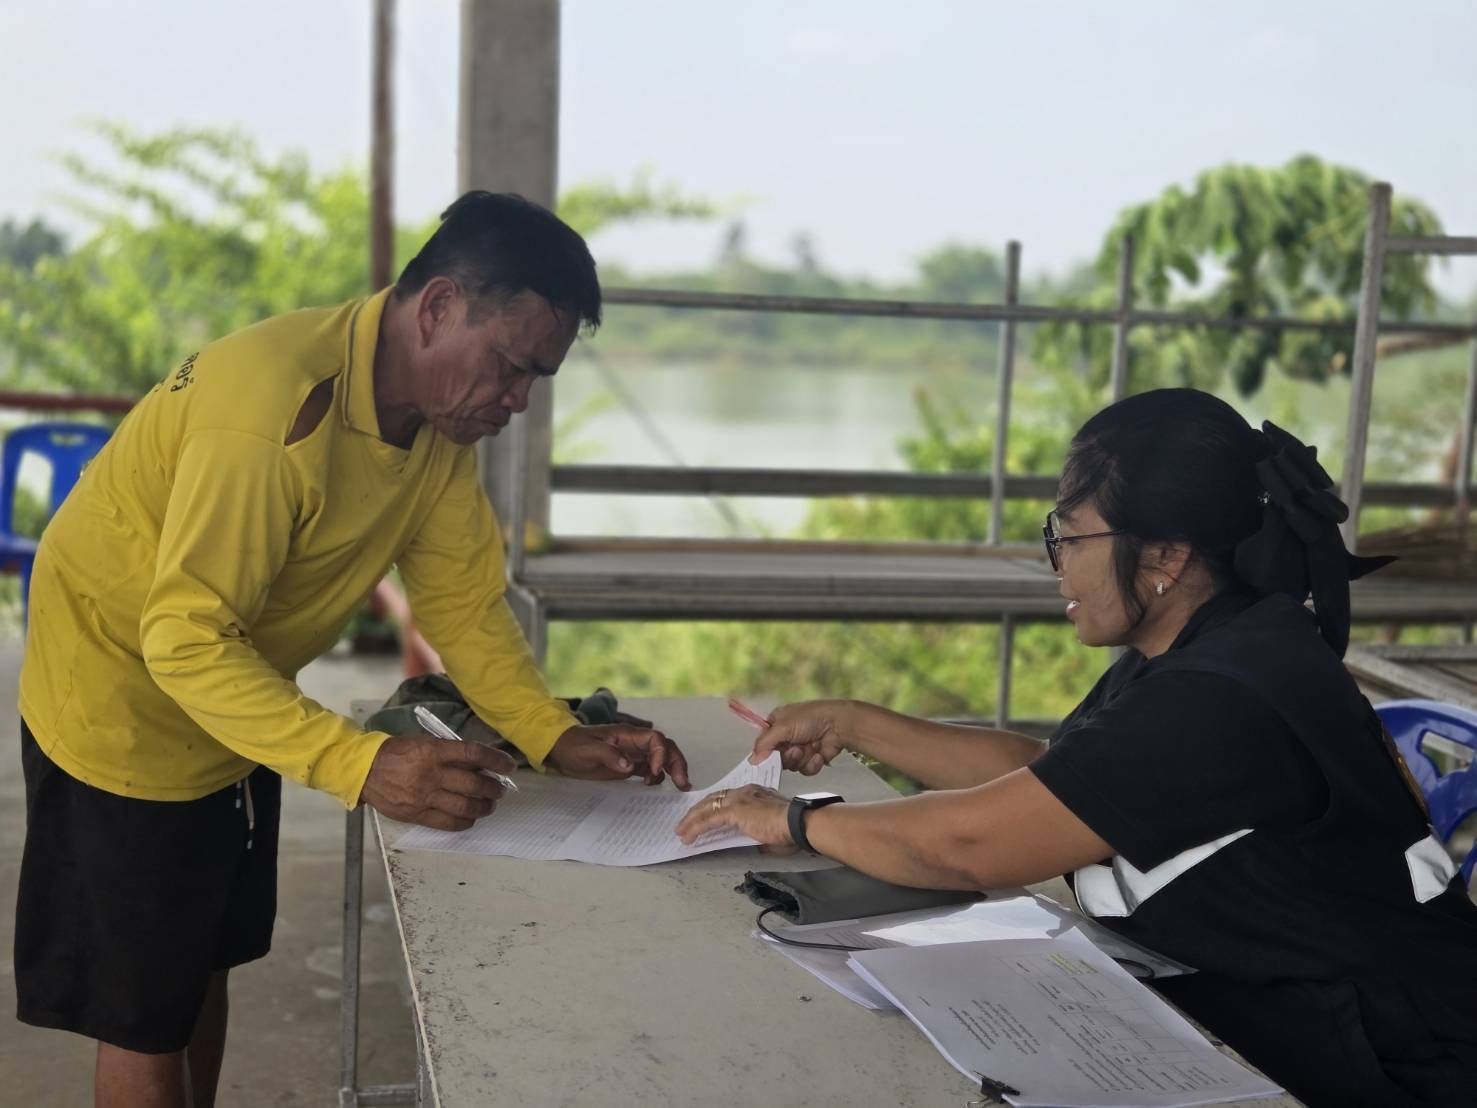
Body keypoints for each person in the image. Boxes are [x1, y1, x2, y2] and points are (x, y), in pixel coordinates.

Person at [16, 191, 691, 1108]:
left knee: (201, 956)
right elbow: (182, 638)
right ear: (439, 306)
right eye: (509, 366)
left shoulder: (435, 423)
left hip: (236, 695)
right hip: (120, 695)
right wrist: (361, 763)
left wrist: (552, 734)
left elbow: (462, 604)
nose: (518, 401)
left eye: (537, 378)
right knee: (139, 1011)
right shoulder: (272, 410)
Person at [678, 388, 1477, 1107]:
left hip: (1395, 1067)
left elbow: (970, 845)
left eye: (1069, 536)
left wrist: (794, 821)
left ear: (1165, 555)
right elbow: (1054, 782)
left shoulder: (1223, 695)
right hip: (1290, 1034)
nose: (1056, 564)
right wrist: (855, 724)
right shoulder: (1205, 643)